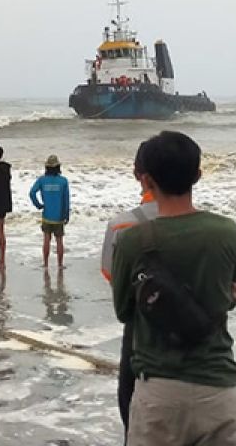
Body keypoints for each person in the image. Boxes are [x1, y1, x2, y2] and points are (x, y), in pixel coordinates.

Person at [111, 131, 236, 446]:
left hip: (159, 393)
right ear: (198, 175)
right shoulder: (226, 233)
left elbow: (123, 311)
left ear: (146, 180)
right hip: (218, 388)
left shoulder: (133, 241)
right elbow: (231, 297)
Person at [100, 142, 159, 436]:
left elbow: (112, 276)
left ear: (140, 176)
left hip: (140, 336)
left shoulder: (121, 227)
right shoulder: (219, 232)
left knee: (133, 418)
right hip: (201, 353)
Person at [29, 155, 70, 269]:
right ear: (58, 167)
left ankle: (46, 264)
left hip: (47, 215)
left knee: (46, 239)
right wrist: (66, 214)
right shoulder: (63, 181)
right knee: (59, 241)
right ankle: (60, 265)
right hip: (59, 216)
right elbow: (66, 200)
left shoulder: (42, 180)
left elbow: (32, 193)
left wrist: (38, 205)